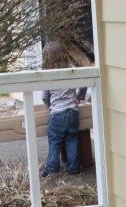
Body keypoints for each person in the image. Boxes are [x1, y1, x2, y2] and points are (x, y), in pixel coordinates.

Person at [40, 42, 86, 177]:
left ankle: (52, 168)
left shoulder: (48, 75)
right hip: (72, 111)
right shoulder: (71, 71)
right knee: (72, 140)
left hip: (56, 114)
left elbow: (44, 96)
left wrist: (49, 105)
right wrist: (79, 97)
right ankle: (73, 167)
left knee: (55, 141)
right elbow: (83, 85)